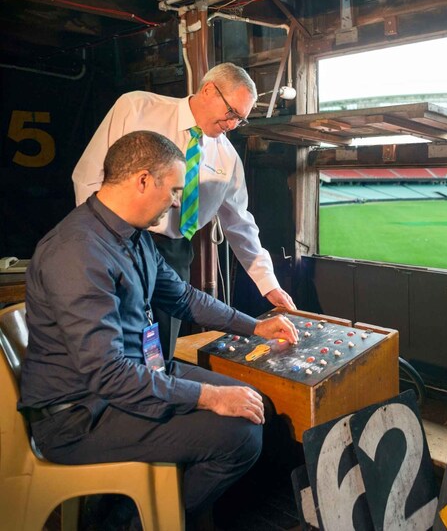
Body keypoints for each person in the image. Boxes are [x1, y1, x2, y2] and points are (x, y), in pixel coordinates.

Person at [20, 131, 300, 525]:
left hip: (133, 378)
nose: (175, 201)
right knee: (238, 436)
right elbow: (108, 374)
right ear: (142, 180)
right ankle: (140, 522)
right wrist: (207, 398)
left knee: (253, 403)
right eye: (172, 189)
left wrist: (255, 327)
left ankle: (147, 510)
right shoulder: (77, 252)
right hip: (82, 414)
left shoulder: (131, 235)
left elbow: (184, 297)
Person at [72, 62, 296, 360]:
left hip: (175, 251)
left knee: (159, 348)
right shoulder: (136, 107)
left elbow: (240, 225)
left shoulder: (227, 158)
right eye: (231, 113)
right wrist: (97, 240)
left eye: (240, 120)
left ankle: (156, 395)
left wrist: (269, 285)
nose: (232, 125)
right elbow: (88, 175)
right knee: (114, 336)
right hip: (117, 237)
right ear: (208, 90)